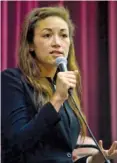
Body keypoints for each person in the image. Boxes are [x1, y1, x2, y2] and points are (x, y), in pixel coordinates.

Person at [1, 6, 117, 163]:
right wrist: (57, 99)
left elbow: (62, 156)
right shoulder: (12, 80)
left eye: (63, 35)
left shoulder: (64, 88)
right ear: (30, 45)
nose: (57, 43)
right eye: (47, 35)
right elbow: (15, 144)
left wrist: (95, 159)